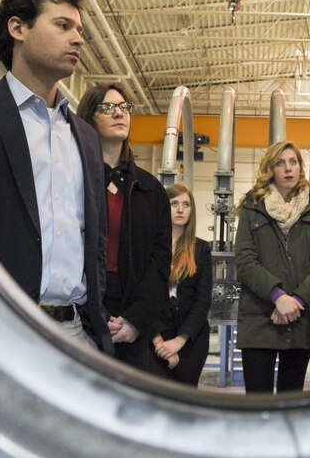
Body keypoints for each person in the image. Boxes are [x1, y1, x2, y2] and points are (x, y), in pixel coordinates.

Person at [0, 0, 112, 352]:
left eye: (80, 30)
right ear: (18, 28)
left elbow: (95, 241)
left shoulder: (85, 136)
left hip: (76, 332)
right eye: (63, 26)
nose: (78, 39)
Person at [76, 83, 174, 372]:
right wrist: (90, 313)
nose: (120, 113)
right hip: (82, 308)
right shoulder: (74, 178)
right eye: (108, 108)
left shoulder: (149, 189)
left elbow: (160, 262)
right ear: (89, 117)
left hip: (132, 313)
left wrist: (135, 320)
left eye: (124, 107)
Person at [234, 141, 310, 393]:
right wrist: (277, 296)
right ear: (271, 169)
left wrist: (296, 300)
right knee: (258, 403)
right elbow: (245, 261)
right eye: (280, 163)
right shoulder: (252, 206)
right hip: (261, 317)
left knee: (291, 399)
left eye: (293, 162)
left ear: (300, 168)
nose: (288, 169)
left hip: (301, 320)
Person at [152, 183, 214, 386]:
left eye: (186, 205)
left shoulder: (201, 249)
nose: (180, 210)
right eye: (174, 203)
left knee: (186, 397)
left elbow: (202, 300)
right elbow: (143, 295)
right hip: (154, 333)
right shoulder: (150, 246)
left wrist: (179, 342)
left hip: (190, 337)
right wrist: (160, 343)